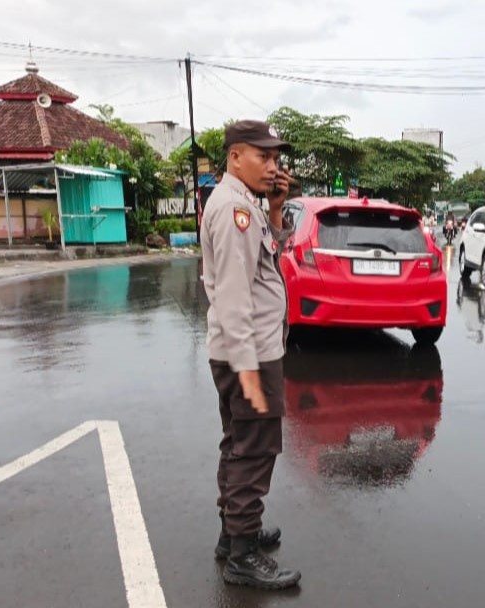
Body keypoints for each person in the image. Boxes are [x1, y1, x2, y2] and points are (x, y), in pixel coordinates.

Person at [201, 119, 301, 590]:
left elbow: (267, 261)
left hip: (247, 351)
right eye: (264, 157)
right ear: (235, 156)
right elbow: (235, 297)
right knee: (254, 452)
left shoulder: (246, 205)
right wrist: (247, 372)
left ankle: (234, 534)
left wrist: (276, 210)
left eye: (276, 158)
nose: (273, 167)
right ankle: (242, 555)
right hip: (250, 355)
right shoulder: (232, 211)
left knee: (240, 444)